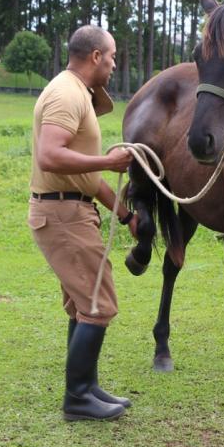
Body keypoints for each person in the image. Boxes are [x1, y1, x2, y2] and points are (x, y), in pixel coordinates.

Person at [28, 25, 138, 421]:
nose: (112, 65)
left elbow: (86, 178)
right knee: (98, 302)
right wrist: (109, 161)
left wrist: (124, 215)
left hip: (72, 209)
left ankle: (87, 387)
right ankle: (77, 398)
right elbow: (50, 156)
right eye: (111, 57)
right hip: (63, 214)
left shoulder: (78, 94)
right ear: (95, 56)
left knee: (82, 304)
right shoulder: (65, 94)